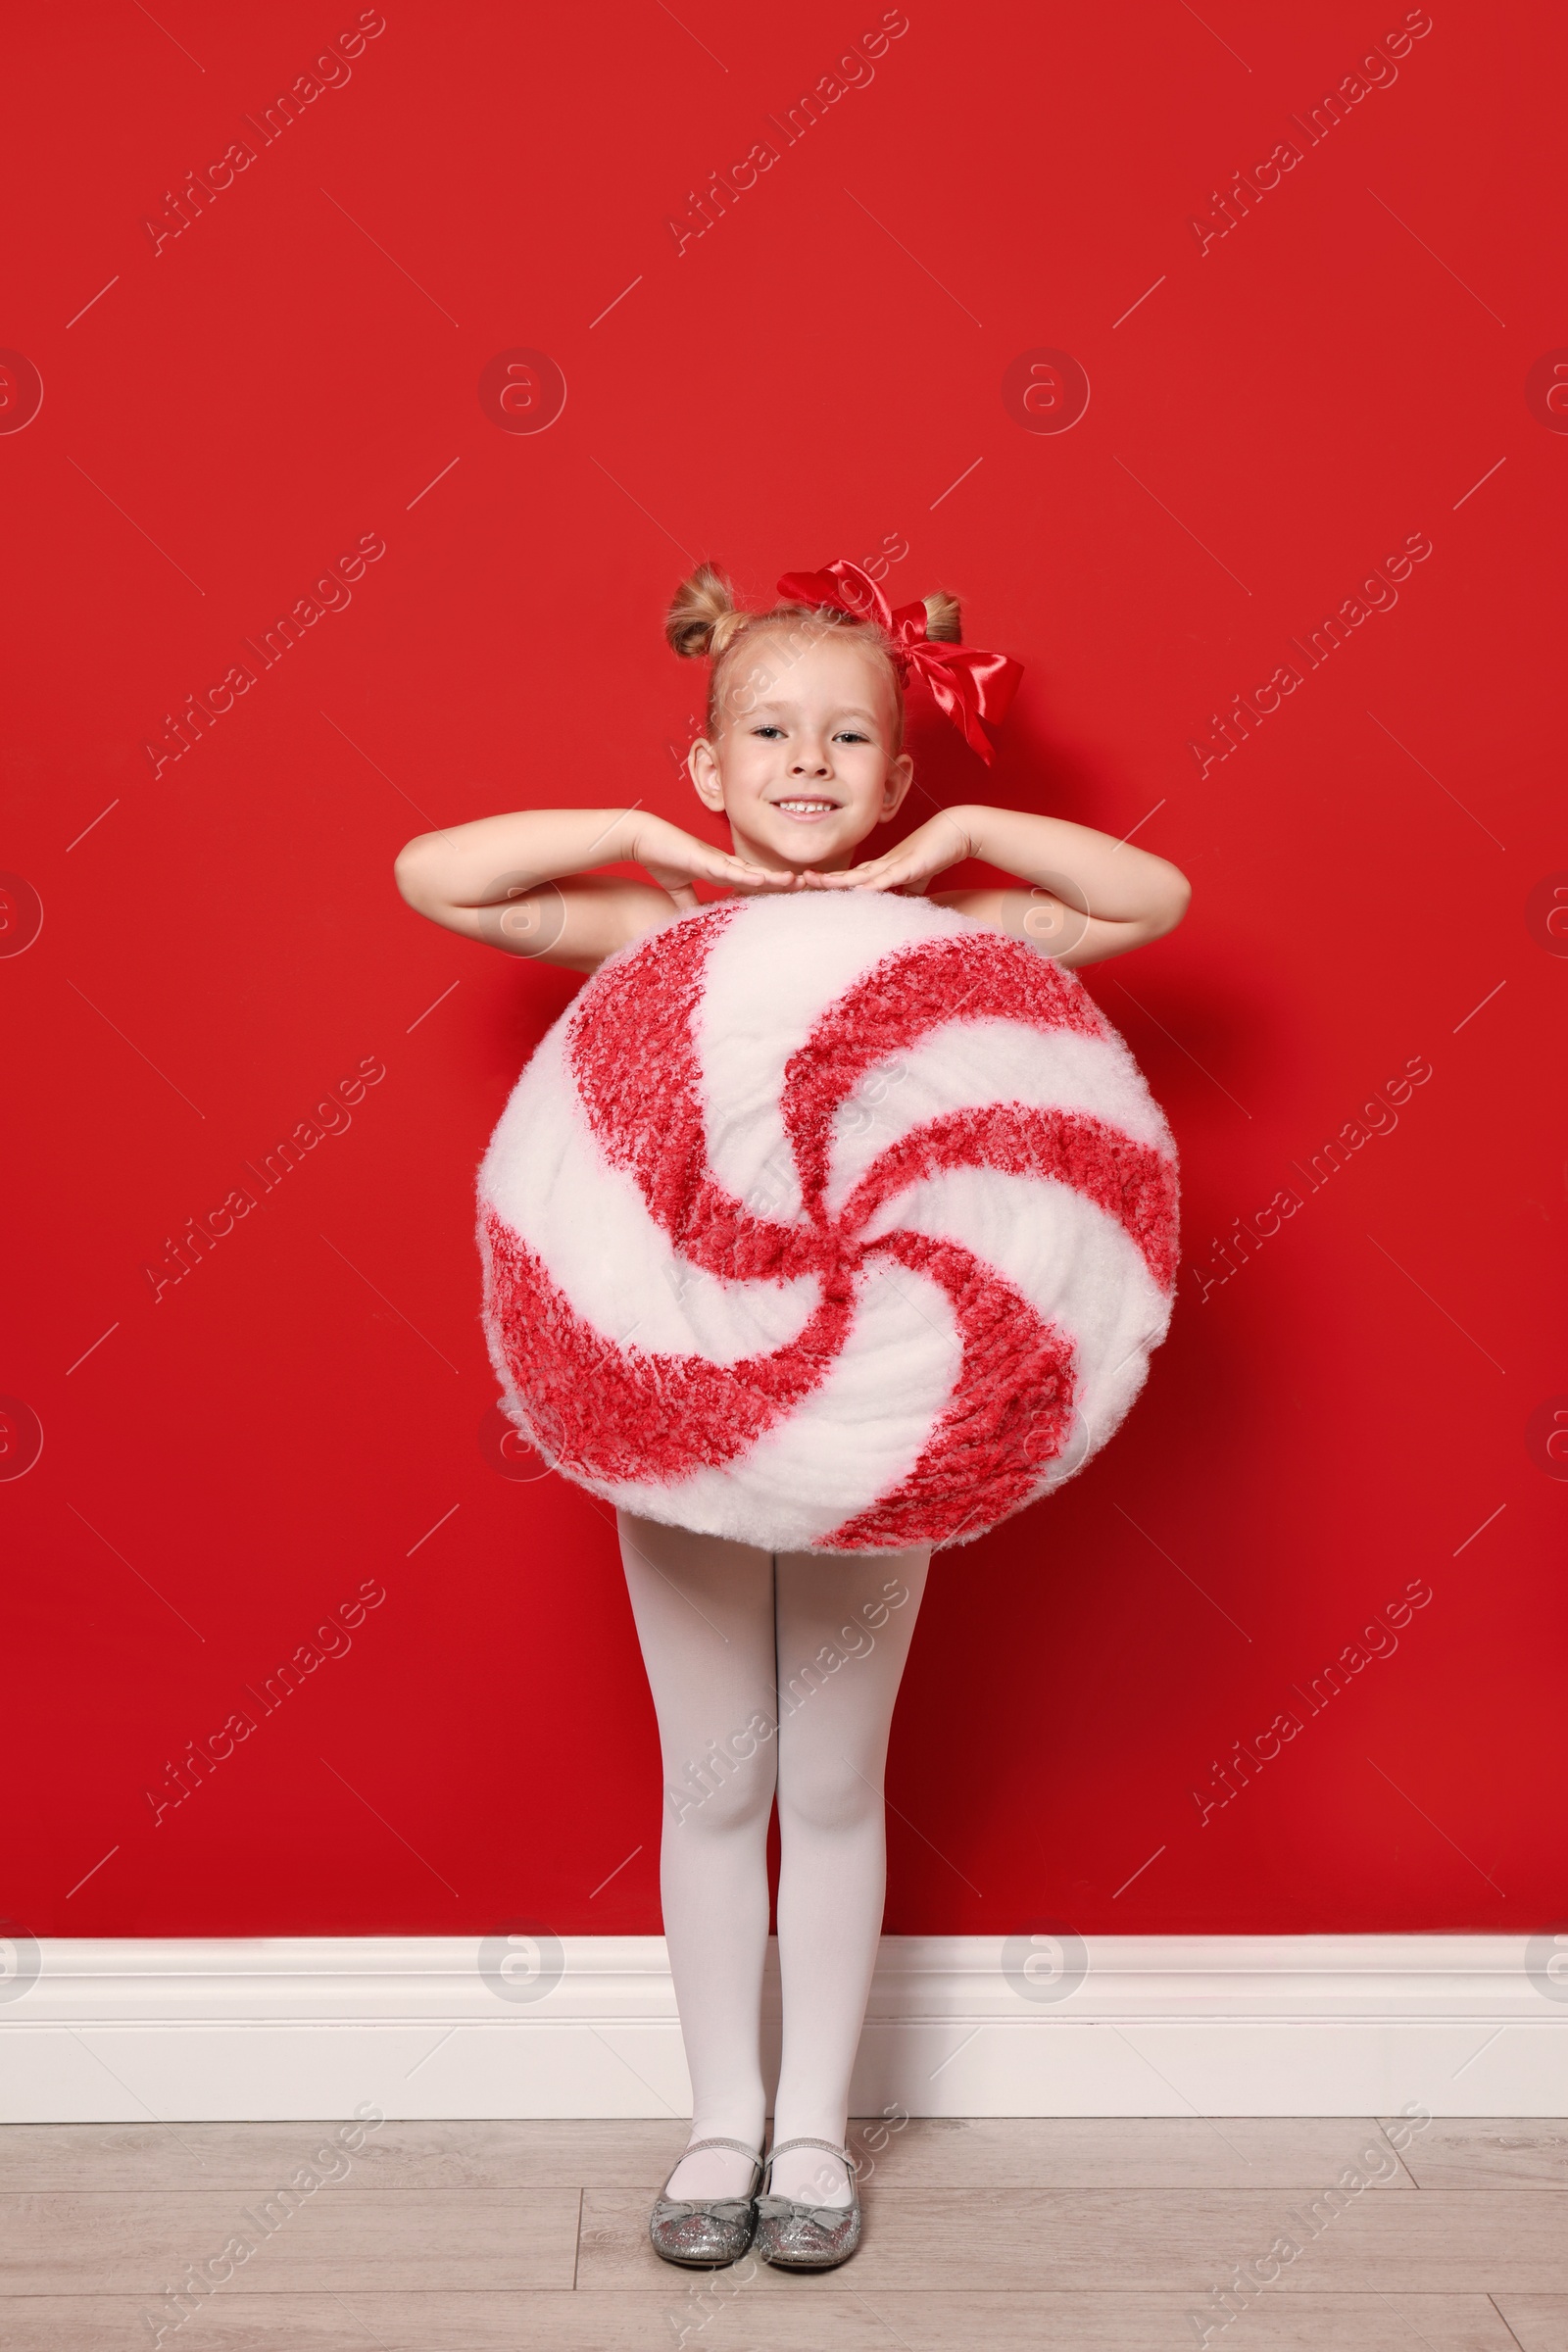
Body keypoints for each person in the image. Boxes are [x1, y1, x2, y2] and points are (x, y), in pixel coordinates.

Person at [394, 561, 1191, 2270]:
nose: (807, 762)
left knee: (830, 1776)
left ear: (902, 779)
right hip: (673, 1401)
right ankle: (718, 2128)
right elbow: (437, 876)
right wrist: (641, 834)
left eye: (849, 737)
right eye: (765, 732)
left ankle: (813, 2133)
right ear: (710, 764)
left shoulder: (941, 942)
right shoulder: (663, 925)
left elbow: (1152, 897)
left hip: (877, 1406)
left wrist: (954, 861)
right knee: (716, 1775)